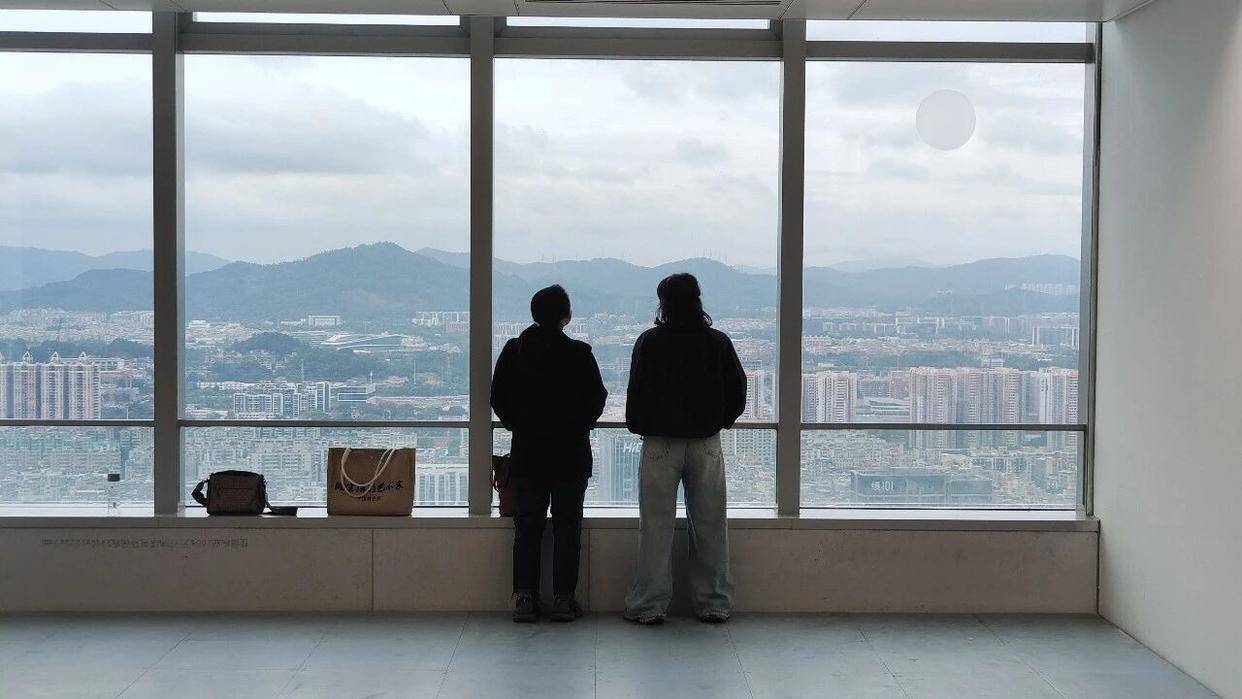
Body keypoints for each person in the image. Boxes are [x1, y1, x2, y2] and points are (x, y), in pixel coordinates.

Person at [623, 272, 746, 625]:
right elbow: (737, 389)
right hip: (705, 442)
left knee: (655, 526)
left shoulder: (650, 342)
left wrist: (641, 425)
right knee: (710, 525)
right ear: (698, 299)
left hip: (660, 442)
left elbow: (637, 390)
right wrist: (720, 421)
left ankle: (648, 605)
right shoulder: (717, 342)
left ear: (663, 303)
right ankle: (714, 602)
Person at [491, 284, 607, 623]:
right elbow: (596, 399)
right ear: (566, 316)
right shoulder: (579, 353)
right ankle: (563, 599)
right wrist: (580, 424)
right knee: (567, 527)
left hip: (527, 452)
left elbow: (498, 397)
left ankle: (525, 597)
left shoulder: (515, 351)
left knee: (527, 526)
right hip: (571, 453)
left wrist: (518, 425)